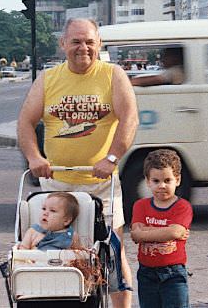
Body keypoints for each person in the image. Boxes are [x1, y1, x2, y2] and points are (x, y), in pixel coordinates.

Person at [17, 17, 139, 308]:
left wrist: (111, 158)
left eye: (89, 42)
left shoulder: (112, 75)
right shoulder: (48, 79)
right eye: (75, 42)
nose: (82, 48)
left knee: (112, 252)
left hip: (100, 185)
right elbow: (25, 121)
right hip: (56, 186)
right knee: (52, 253)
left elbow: (129, 118)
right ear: (63, 44)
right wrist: (35, 157)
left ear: (99, 45)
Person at [131, 149, 193, 308]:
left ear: (177, 180)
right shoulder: (141, 205)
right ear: (147, 181)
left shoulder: (182, 207)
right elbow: (135, 234)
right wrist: (165, 232)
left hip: (173, 273)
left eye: (167, 180)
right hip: (146, 273)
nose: (162, 186)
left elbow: (174, 232)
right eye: (156, 181)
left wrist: (147, 231)